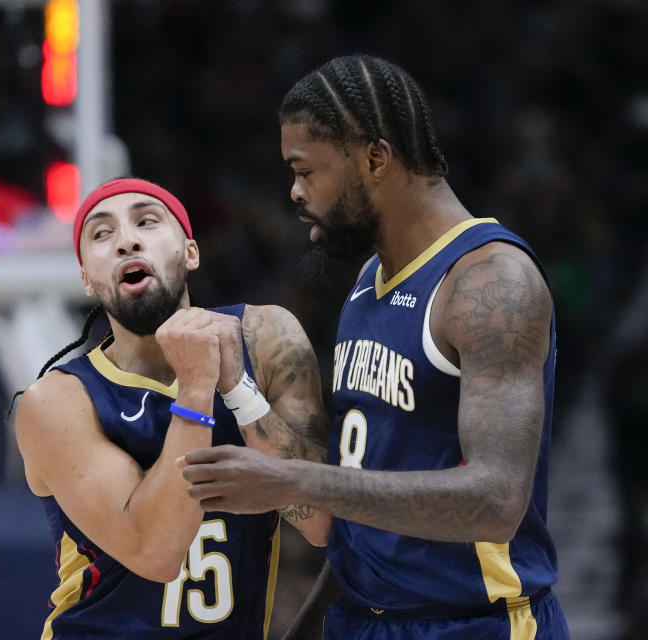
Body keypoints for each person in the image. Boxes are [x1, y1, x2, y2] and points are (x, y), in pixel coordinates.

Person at [179, 55, 570, 639]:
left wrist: (293, 482)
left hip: (473, 624)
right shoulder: (368, 283)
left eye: (305, 170)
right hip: (364, 621)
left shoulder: (491, 283)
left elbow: (497, 499)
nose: (294, 190)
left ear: (375, 159)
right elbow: (368, 507)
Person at [14, 177, 333, 639]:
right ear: (87, 280)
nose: (127, 240)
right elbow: (156, 553)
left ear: (190, 252)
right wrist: (198, 387)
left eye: (146, 221)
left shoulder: (266, 337)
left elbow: (321, 522)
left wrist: (238, 389)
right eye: (102, 235)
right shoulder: (55, 402)